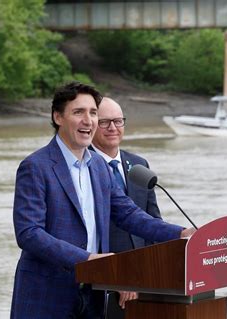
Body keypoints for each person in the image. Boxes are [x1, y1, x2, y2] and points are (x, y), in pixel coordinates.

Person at [10, 82, 195, 319]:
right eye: (79, 112)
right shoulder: (35, 166)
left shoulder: (98, 165)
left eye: (93, 113)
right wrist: (87, 260)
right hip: (47, 294)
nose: (88, 121)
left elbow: (129, 214)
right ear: (58, 117)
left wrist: (181, 234)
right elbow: (29, 233)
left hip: (93, 295)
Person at [90, 97, 161, 316]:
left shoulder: (139, 165)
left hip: (141, 282)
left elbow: (152, 223)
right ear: (92, 124)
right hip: (100, 283)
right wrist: (117, 276)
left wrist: (144, 276)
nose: (113, 128)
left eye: (118, 121)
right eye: (104, 122)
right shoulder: (84, 166)